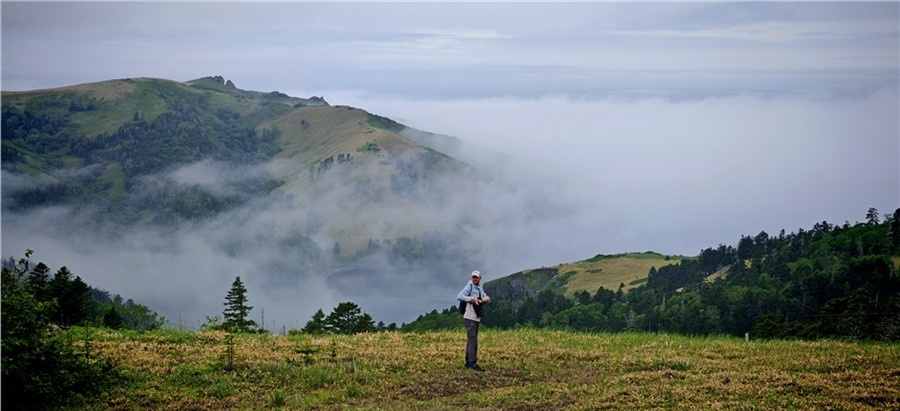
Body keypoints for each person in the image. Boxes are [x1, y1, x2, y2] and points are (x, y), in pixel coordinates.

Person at [457, 270, 490, 371]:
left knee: (471, 340)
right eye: (473, 277)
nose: (474, 279)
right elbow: (459, 296)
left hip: (475, 318)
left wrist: (486, 299)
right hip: (469, 317)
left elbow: (487, 298)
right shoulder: (469, 286)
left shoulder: (479, 288)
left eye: (476, 277)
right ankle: (473, 363)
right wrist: (472, 299)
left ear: (480, 278)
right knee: (473, 340)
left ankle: (468, 362)